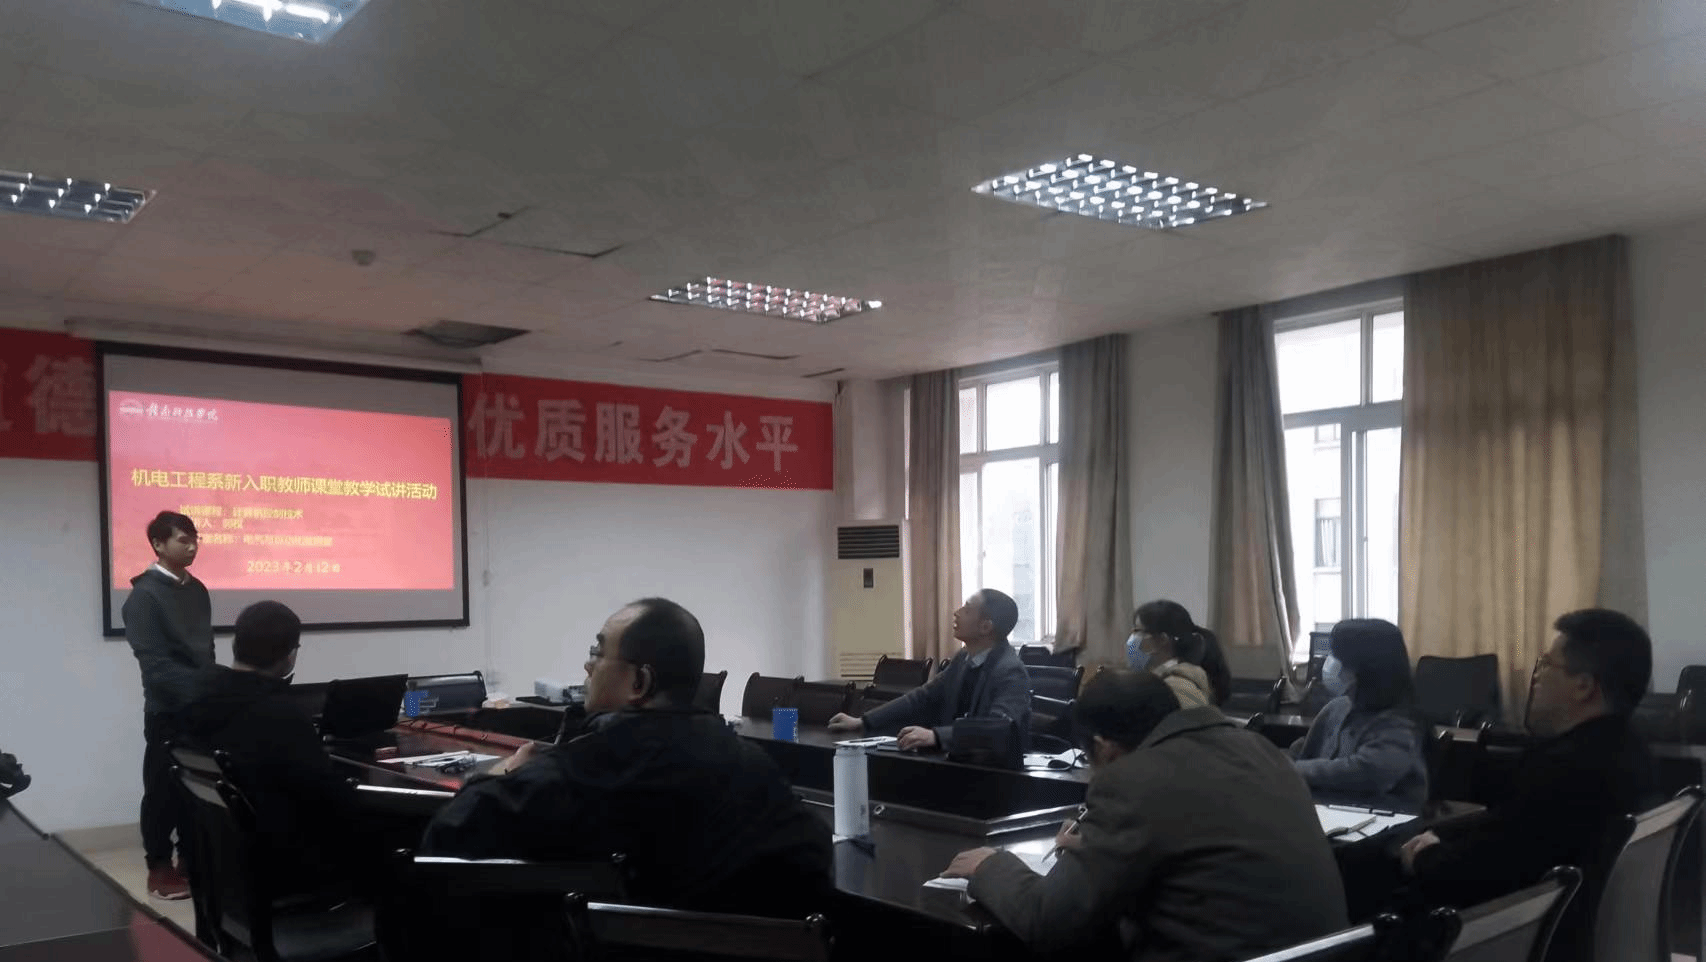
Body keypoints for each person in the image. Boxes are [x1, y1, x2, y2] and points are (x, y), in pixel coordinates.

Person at [421, 598, 832, 918]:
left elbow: (449, 834)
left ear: (640, 681)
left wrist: (506, 772)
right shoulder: (751, 763)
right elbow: (812, 855)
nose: (588, 665)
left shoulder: (593, 763)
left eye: (598, 653)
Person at [943, 669, 1347, 959]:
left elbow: (1048, 920)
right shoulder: (1259, 748)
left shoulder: (1133, 780)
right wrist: (1097, 850)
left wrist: (991, 866)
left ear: (1104, 748)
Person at [1341, 609, 1656, 961]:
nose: (1537, 676)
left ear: (1583, 686)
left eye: (1547, 664)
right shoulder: (1625, 750)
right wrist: (1440, 838)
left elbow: (1492, 869)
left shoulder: (1570, 769)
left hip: (1495, 937)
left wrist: (1425, 857)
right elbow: (1512, 830)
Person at [178, 600, 373, 896]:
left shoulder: (194, 704)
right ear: (289, 655)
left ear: (236, 644)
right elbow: (332, 801)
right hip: (284, 870)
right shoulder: (281, 715)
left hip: (219, 868)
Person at [124, 510, 214, 900]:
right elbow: (156, 666)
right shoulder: (144, 596)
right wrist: (205, 687)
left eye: (195, 539)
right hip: (167, 711)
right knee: (162, 793)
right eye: (183, 540)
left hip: (201, 709)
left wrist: (215, 688)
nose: (192, 546)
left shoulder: (198, 590)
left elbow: (206, 649)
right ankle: (158, 869)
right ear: (158, 545)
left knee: (198, 791)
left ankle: (190, 861)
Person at [826, 589, 1032, 751]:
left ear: (985, 627)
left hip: (995, 774)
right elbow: (922, 696)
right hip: (956, 761)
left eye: (967, 609)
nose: (957, 612)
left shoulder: (1011, 672)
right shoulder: (963, 658)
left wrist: (936, 736)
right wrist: (863, 721)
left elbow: (997, 727)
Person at [1289, 619, 1428, 810]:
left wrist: (1291, 770)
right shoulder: (1336, 708)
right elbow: (1302, 752)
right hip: (1332, 813)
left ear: (1368, 666)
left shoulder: (1401, 722)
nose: (1329, 663)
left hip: (1387, 818)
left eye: (1337, 656)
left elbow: (1369, 772)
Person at [1125, 600, 1230, 709]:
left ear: (1162, 640)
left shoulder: (1178, 688)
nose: (1132, 639)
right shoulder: (1160, 680)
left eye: (1137, 631)